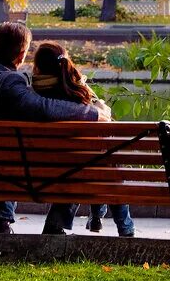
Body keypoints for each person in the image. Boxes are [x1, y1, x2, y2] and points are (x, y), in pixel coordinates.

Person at [0, 21, 101, 235]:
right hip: (4, 170)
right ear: (21, 55)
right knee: (74, 160)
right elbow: (44, 108)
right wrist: (94, 113)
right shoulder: (10, 82)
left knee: (6, 150)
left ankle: (2, 222)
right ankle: (55, 225)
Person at [31, 41, 135, 237]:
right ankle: (125, 228)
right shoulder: (78, 95)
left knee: (84, 165)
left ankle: (79, 219)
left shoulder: (31, 96)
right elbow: (106, 119)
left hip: (40, 171)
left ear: (37, 67)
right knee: (105, 164)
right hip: (80, 167)